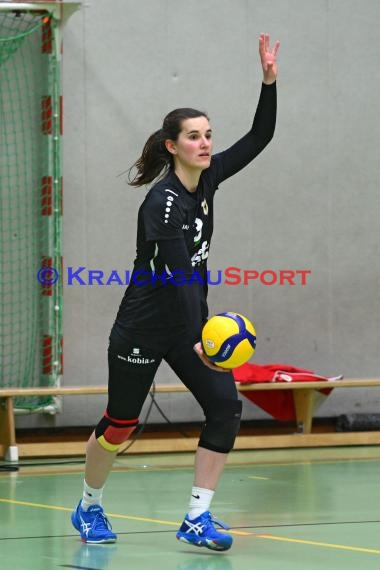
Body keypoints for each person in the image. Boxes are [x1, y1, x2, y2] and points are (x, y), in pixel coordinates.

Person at [72, 33, 280, 551]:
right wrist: (198, 341)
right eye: (194, 136)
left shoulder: (208, 180)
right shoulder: (161, 205)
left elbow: (261, 136)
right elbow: (183, 275)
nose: (206, 143)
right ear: (172, 146)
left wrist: (269, 83)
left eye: (209, 134)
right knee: (120, 424)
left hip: (189, 323)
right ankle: (88, 506)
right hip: (144, 325)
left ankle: (197, 517)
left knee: (225, 408)